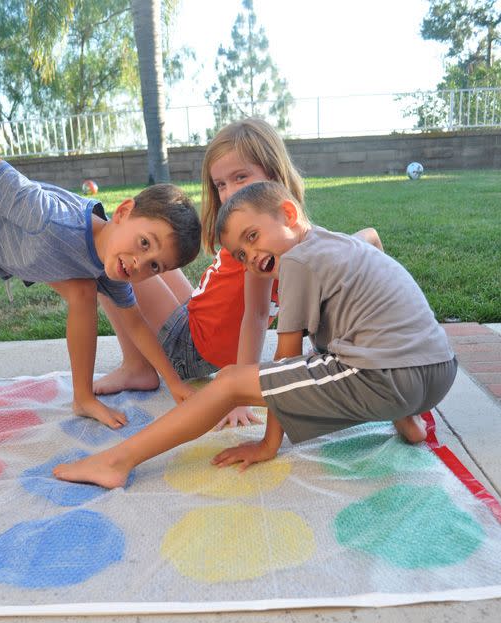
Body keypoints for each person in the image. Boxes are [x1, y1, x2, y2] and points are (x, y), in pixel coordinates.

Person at [53, 180, 457, 488]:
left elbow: (283, 364)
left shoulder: (298, 262)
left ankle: (117, 461)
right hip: (439, 370)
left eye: (253, 237)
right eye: (242, 256)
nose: (252, 258)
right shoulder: (338, 245)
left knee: (229, 381)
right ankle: (407, 422)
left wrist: (268, 445)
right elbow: (371, 236)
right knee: (346, 350)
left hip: (389, 378)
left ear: (289, 214)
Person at [0, 149, 201, 458]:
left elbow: (136, 324)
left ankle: (82, 397)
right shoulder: (47, 217)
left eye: (155, 266)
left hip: (21, 252)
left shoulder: (112, 268)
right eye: (144, 243)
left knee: (84, 289)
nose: (140, 263)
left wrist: (175, 384)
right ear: (124, 212)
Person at [93, 118, 383, 429]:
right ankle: (136, 362)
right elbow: (370, 236)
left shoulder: (256, 247)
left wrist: (240, 394)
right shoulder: (285, 234)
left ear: (273, 173)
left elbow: (255, 317)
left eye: (240, 177)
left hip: (187, 349)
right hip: (193, 319)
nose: (230, 193)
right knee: (136, 250)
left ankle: (138, 367)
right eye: (221, 185)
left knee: (104, 255)